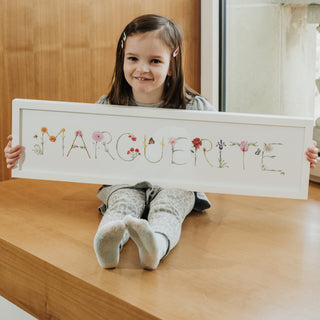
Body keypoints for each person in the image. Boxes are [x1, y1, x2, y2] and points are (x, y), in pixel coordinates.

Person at [4, 14, 319, 270]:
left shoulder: (194, 107)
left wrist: (295, 155)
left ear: (172, 62)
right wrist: (21, 151)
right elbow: (78, 146)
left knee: (170, 203)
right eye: (133, 58)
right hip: (124, 180)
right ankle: (107, 243)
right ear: (122, 59)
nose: (142, 69)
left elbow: (234, 143)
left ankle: (155, 245)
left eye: (155, 61)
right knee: (123, 202)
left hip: (175, 181)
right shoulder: (108, 105)